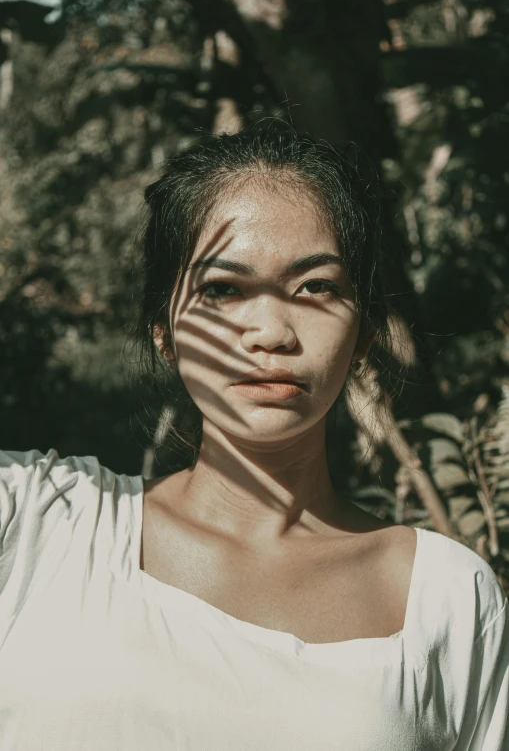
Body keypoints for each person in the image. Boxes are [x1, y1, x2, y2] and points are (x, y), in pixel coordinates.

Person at [0, 121, 507, 750]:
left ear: (365, 333)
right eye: (223, 289)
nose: (271, 332)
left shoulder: (446, 597)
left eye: (316, 287)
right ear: (165, 328)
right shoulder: (36, 526)